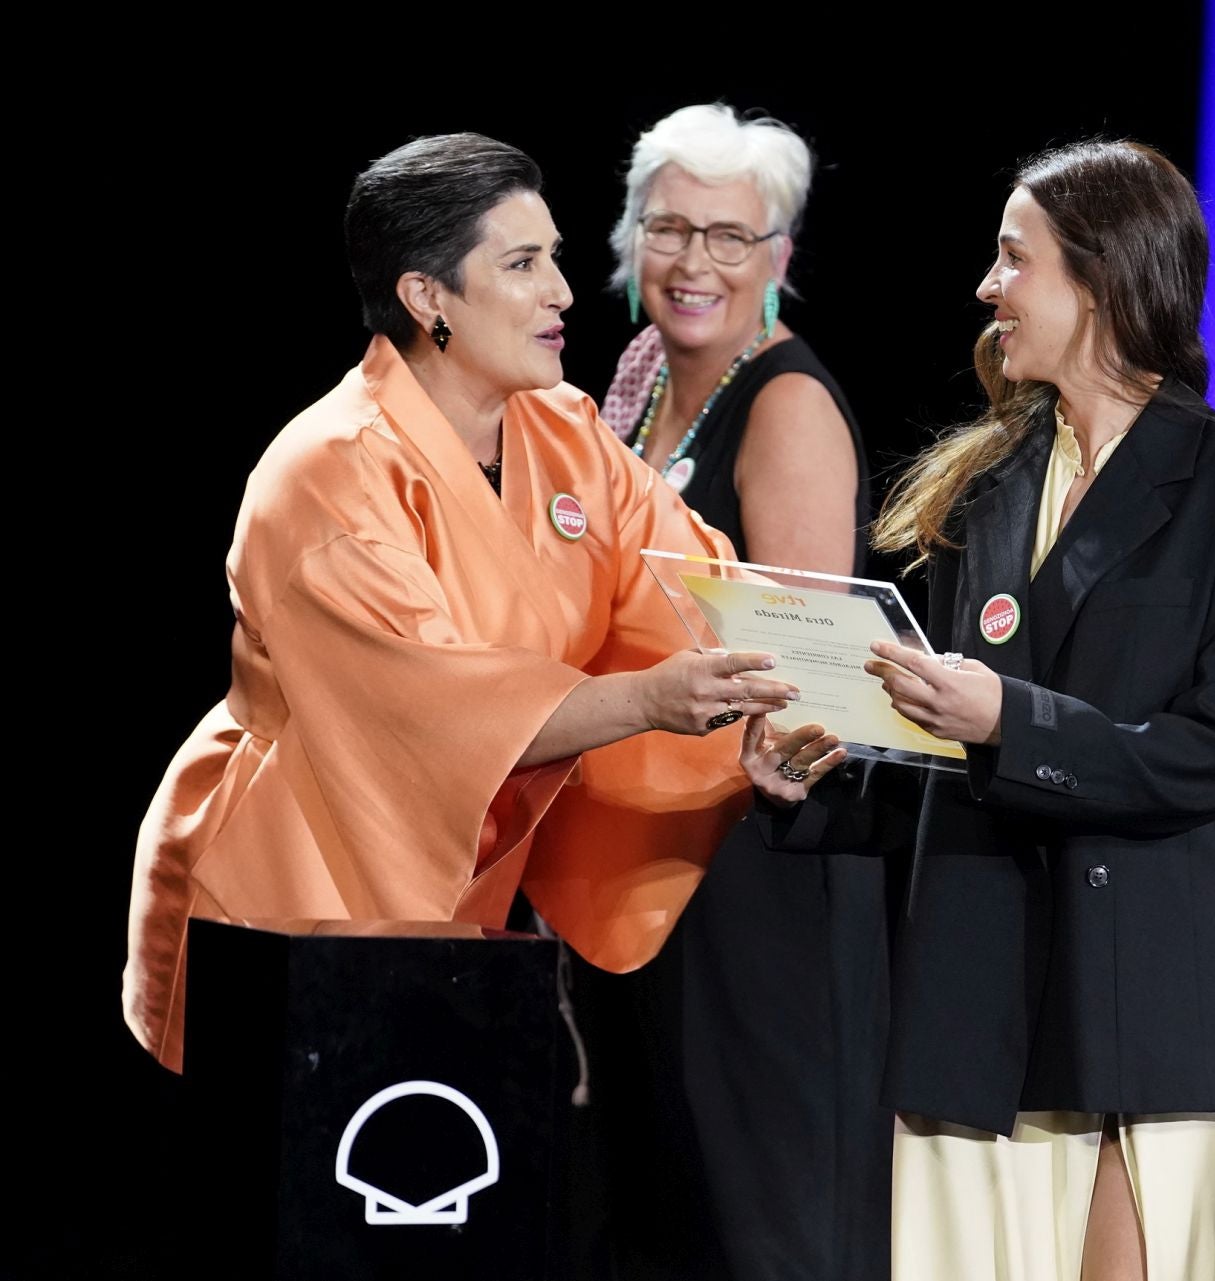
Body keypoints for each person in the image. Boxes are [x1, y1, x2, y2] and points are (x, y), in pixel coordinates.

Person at [122, 131, 842, 1075]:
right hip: (289, 882)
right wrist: (653, 700)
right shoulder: (327, 473)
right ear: (428, 298)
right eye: (522, 263)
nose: (562, 292)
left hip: (457, 884)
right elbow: (429, 707)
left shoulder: (565, 431)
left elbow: (698, 590)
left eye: (555, 258)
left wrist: (830, 689)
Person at [784, 139, 1215, 1280]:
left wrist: (1010, 723)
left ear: (1105, 280)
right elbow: (946, 742)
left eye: (1013, 260)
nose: (987, 288)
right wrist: (821, 769)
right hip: (977, 983)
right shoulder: (987, 487)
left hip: (1148, 999)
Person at [577, 103, 893, 1281]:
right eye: (669, 229)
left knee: (764, 1218)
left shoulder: (788, 404)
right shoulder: (638, 381)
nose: (694, 263)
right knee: (653, 1210)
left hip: (758, 865)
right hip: (640, 850)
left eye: (729, 236)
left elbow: (806, 677)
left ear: (780, 259)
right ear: (630, 238)